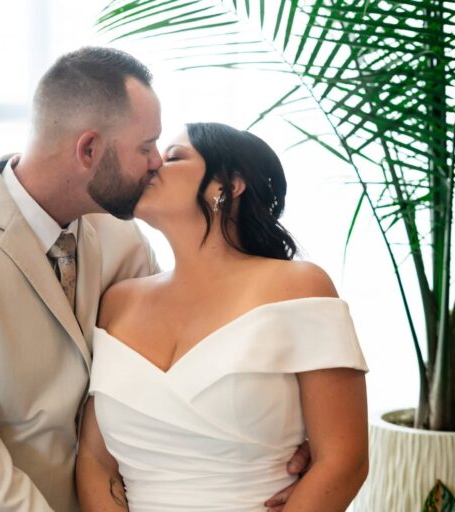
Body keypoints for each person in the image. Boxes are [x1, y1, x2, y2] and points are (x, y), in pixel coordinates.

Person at [0, 47, 308, 512]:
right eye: (146, 147)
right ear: (88, 150)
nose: (156, 165)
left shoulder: (123, 236)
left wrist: (283, 439)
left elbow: (170, 372)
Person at [75, 123, 370, 511]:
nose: (152, 166)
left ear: (228, 185)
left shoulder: (299, 287)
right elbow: (96, 462)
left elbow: (344, 460)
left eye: (174, 156)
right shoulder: (118, 301)